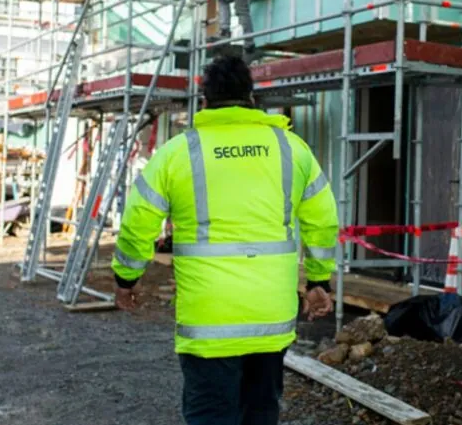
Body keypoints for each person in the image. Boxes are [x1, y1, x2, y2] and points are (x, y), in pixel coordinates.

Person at [112, 55, 339, 425]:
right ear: (251, 97)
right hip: (271, 317)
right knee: (261, 412)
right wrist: (317, 280)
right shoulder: (291, 149)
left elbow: (138, 221)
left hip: (209, 320)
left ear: (204, 101)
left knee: (211, 415)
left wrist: (126, 279)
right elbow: (323, 220)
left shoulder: (177, 152)